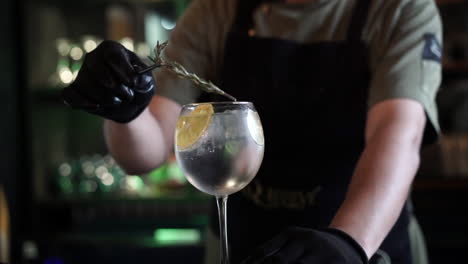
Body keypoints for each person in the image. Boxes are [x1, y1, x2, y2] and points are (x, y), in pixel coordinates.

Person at [62, 0, 443, 263]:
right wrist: (123, 108)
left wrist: (347, 242)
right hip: (242, 242)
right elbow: (146, 151)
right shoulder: (217, 11)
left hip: (362, 239)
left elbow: (398, 136)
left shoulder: (400, 9)